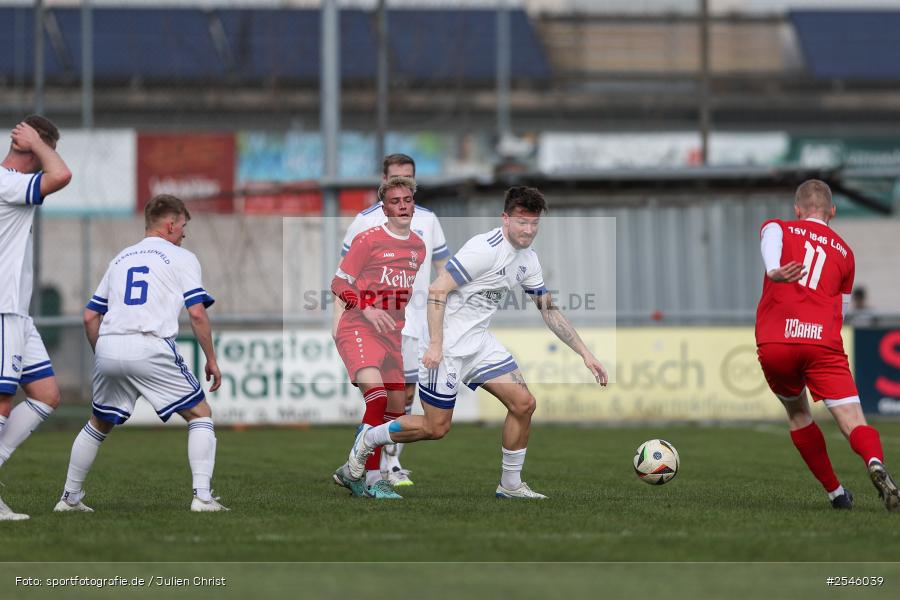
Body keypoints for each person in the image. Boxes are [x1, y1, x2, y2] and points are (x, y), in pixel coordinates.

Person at [344, 186, 609, 499]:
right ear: (505, 219)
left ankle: (510, 485)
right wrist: (436, 345)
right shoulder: (484, 249)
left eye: (534, 223)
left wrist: (586, 354)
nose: (528, 230)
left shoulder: (528, 260)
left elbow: (548, 309)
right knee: (436, 428)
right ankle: (369, 439)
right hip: (446, 346)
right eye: (522, 222)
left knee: (524, 404)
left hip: (479, 343)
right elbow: (437, 290)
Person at [53, 194, 227, 513]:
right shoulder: (182, 257)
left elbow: (90, 316)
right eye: (183, 226)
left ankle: (69, 498)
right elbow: (197, 313)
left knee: (98, 423)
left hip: (109, 344)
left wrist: (104, 355)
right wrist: (212, 360)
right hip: (149, 344)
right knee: (200, 414)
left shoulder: (120, 258)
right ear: (170, 224)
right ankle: (202, 498)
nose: (184, 234)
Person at [756, 179, 898, 512]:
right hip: (822, 342)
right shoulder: (845, 253)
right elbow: (841, 312)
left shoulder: (779, 227)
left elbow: (770, 238)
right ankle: (874, 461)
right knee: (854, 422)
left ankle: (836, 494)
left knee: (798, 414)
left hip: (776, 340)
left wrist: (774, 270)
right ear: (832, 211)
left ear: (797, 209)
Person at [334, 154, 449, 487]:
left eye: (407, 198)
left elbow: (440, 273)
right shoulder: (365, 231)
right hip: (361, 325)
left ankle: (375, 465)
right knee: (378, 397)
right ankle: (368, 475)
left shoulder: (419, 243)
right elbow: (341, 280)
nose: (402, 205)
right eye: (395, 200)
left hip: (399, 329)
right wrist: (364, 310)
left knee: (399, 407)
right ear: (383, 204)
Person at [0, 115, 72, 520]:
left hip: (19, 313)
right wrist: (38, 144)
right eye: (46, 149)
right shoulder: (6, 182)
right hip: (3, 308)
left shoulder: (13, 185)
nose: (49, 158)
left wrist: (36, 143)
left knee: (46, 395)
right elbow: (62, 175)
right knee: (3, 400)